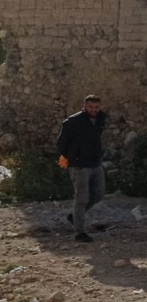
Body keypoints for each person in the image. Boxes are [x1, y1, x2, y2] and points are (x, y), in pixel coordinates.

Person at [57, 94, 107, 243]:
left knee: (98, 194)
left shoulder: (101, 118)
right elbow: (61, 143)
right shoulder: (73, 121)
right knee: (81, 198)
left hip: (95, 163)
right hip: (79, 166)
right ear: (85, 106)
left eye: (96, 107)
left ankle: (74, 217)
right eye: (91, 107)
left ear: (100, 107)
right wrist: (71, 157)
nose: (94, 110)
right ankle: (79, 232)